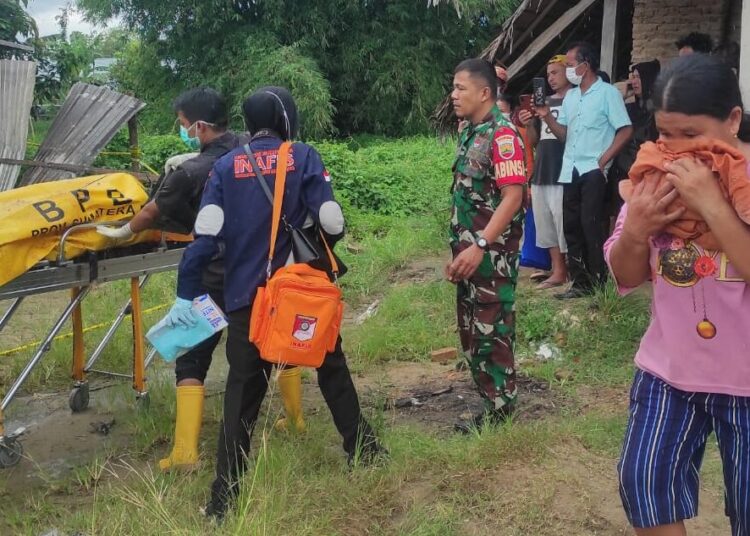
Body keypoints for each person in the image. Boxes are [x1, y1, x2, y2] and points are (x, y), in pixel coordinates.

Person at [169, 86, 384, 519]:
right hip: (296, 296)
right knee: (330, 367)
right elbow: (332, 220)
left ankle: (223, 499)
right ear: (288, 117)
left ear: (249, 122)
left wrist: (186, 293)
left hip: (248, 301)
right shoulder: (303, 156)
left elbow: (206, 234)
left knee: (241, 395)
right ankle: (362, 450)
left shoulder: (227, 166)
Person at [99, 88, 307, 472]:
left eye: (182, 124)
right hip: (261, 272)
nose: (182, 131)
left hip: (212, 276)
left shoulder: (188, 173)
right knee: (276, 341)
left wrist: (120, 232)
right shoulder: (249, 147)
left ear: (198, 125)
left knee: (193, 358)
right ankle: (295, 420)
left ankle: (184, 453)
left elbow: (149, 213)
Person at [607, 54, 750, 536]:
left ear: (733, 120)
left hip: (747, 381)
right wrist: (636, 232)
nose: (677, 150)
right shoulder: (653, 182)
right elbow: (626, 275)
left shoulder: (745, 180)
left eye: (691, 135)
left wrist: (711, 203)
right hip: (669, 370)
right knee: (644, 482)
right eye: (666, 135)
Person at [448, 58, 526, 432]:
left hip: (490, 257)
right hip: (469, 256)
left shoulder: (503, 135)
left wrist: (479, 243)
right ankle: (490, 401)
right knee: (473, 331)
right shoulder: (471, 131)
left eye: (460, 88)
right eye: (454, 87)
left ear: (484, 92)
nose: (453, 95)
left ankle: (500, 411)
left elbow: (513, 197)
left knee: (492, 331)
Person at [535, 42, 633, 299]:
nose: (567, 70)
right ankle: (580, 283)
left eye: (569, 65)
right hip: (570, 169)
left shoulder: (607, 93)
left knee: (591, 226)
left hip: (593, 169)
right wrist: (546, 116)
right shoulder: (572, 97)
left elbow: (625, 129)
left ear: (585, 66)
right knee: (572, 227)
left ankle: (599, 282)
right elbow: (564, 135)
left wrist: (603, 161)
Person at [519, 54, 572, 289]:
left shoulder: (576, 100)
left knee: (564, 224)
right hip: (542, 170)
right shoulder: (545, 102)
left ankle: (572, 270)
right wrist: (530, 122)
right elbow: (533, 141)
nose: (550, 78)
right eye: (548, 74)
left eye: (555, 72)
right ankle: (557, 270)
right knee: (546, 224)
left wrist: (547, 116)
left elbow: (568, 136)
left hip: (563, 170)